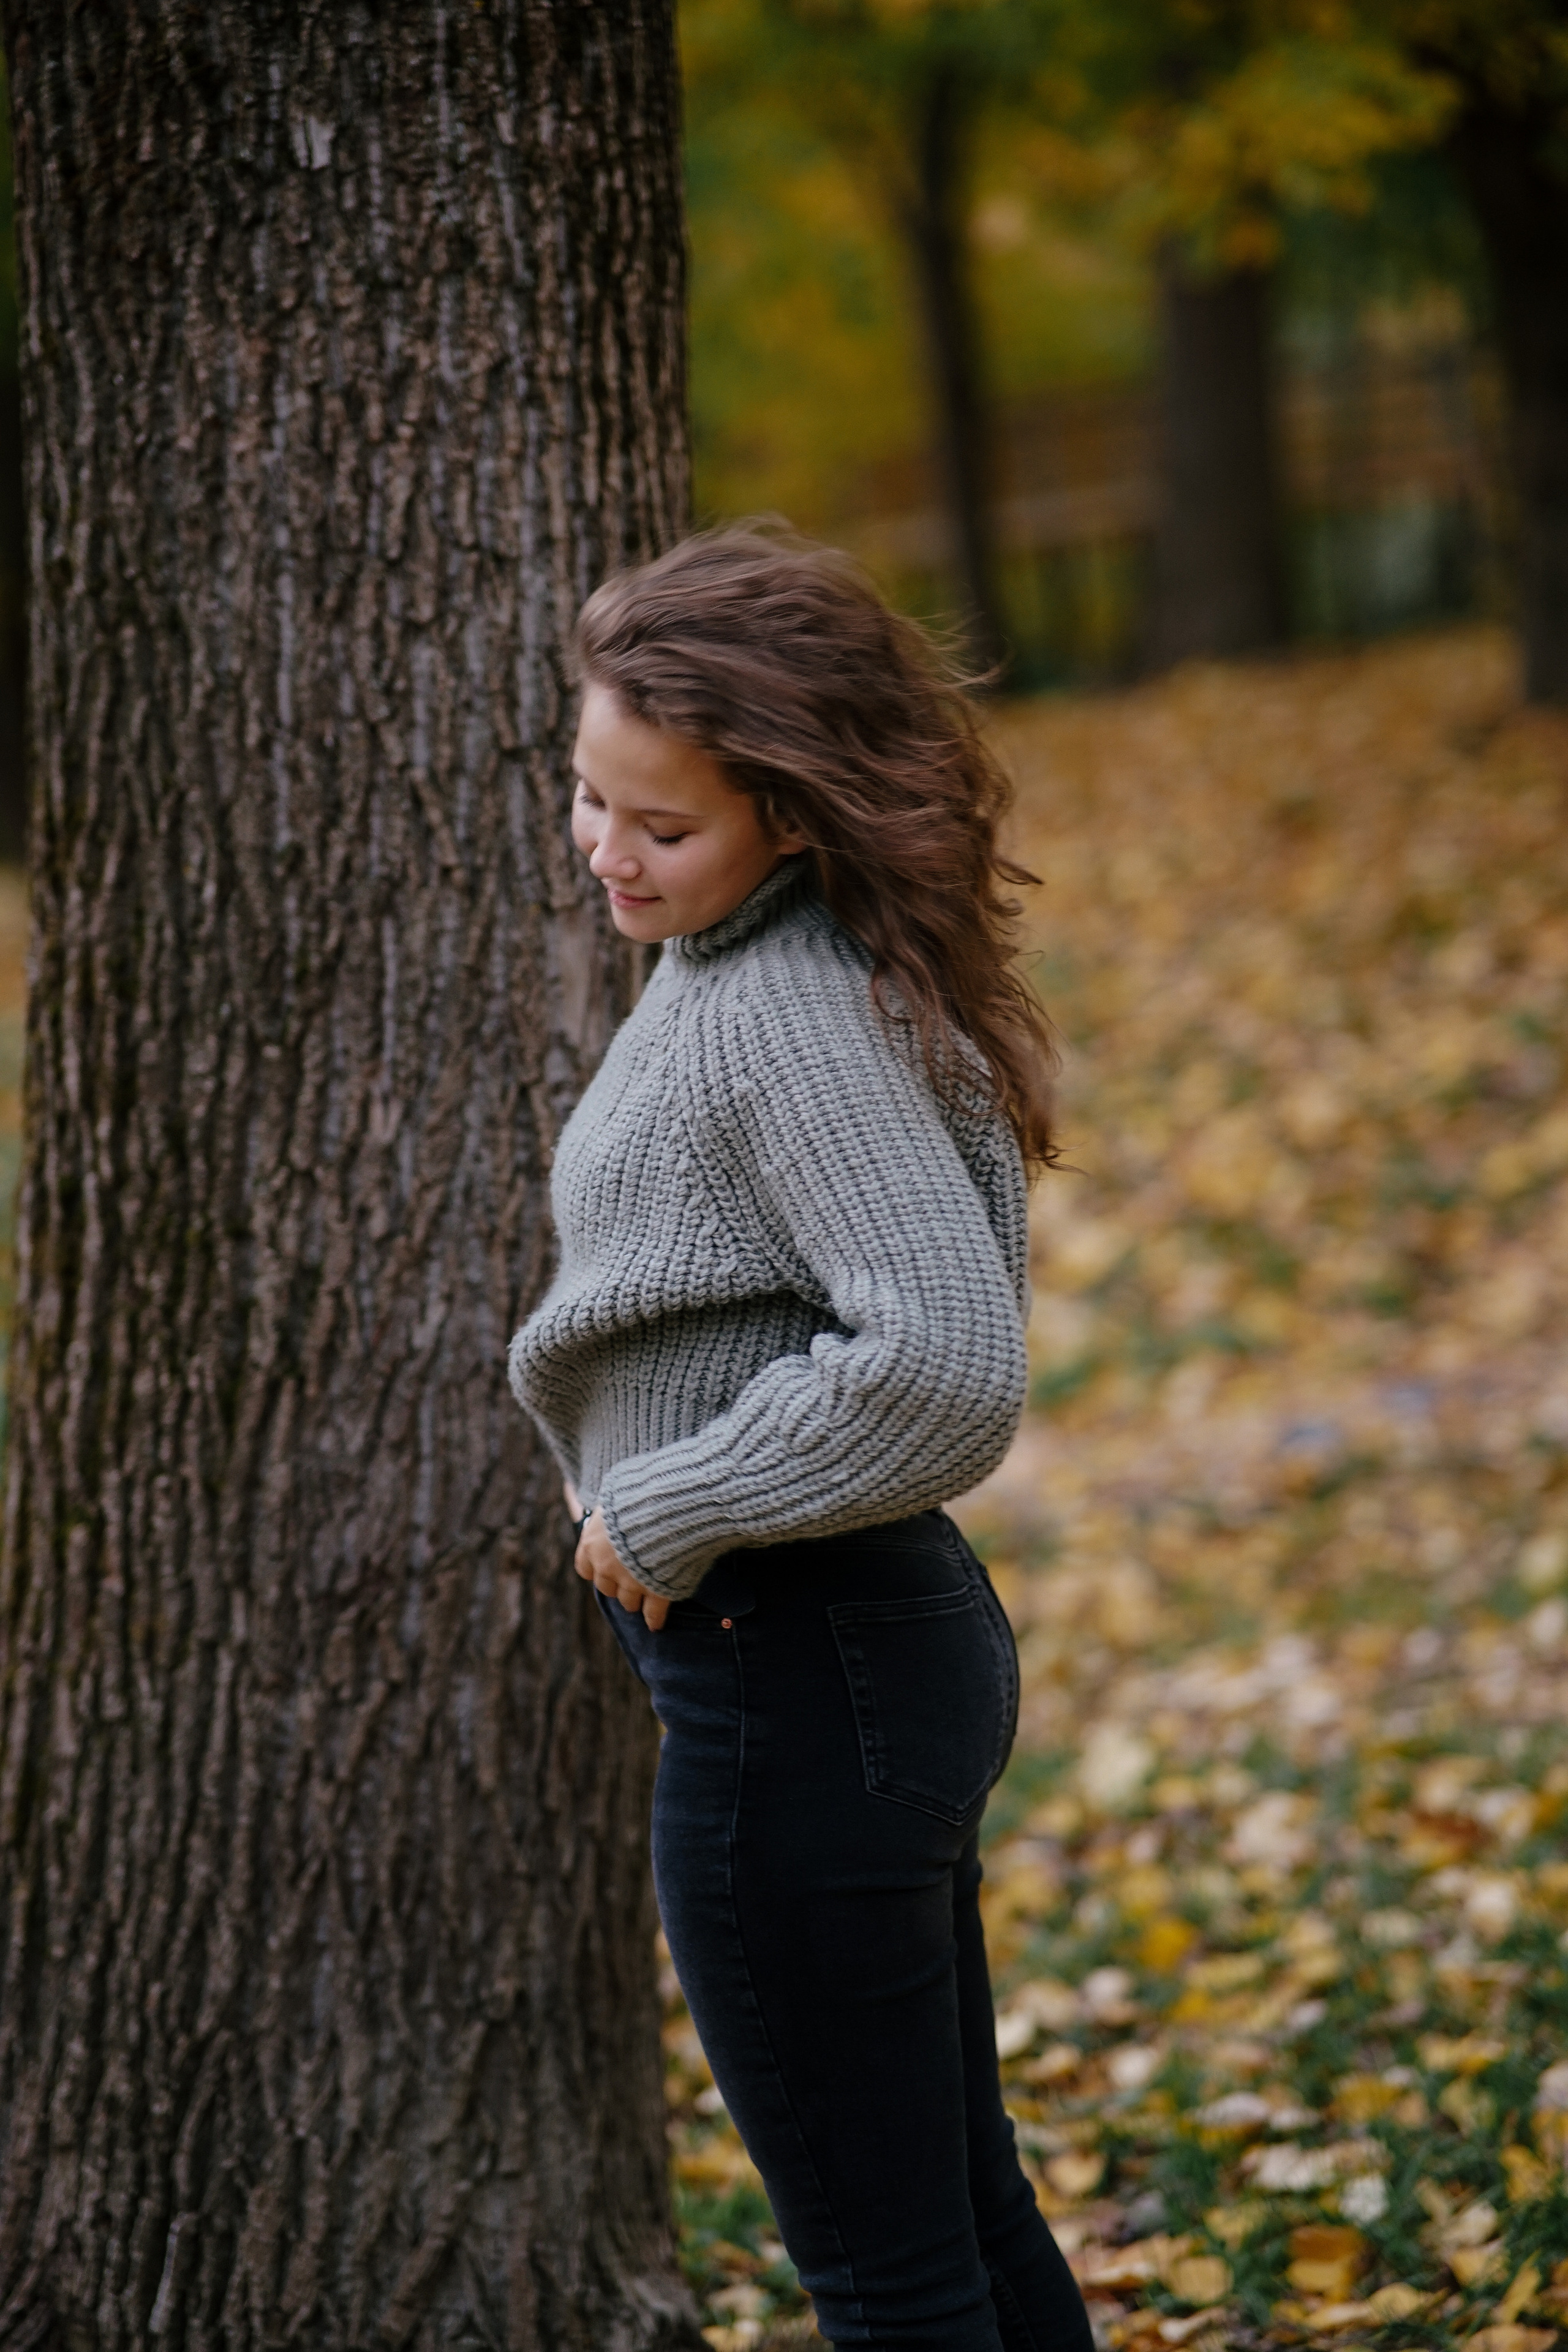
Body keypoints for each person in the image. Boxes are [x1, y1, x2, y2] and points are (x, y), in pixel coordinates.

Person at [509, 524, 1093, 2352]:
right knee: (954, 2216)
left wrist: (671, 1505)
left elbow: (943, 1363)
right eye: (591, 798)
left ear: (791, 807)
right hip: (842, 1666)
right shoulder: (757, 954)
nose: (608, 852)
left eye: (661, 826)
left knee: (887, 2277)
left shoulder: (782, 1015)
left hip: (800, 1672)